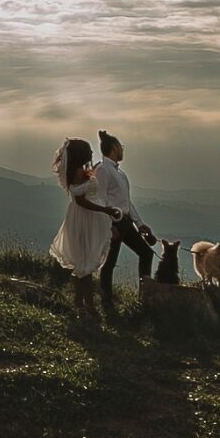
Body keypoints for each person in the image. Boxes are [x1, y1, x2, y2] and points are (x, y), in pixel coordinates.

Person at [48, 136, 121, 316]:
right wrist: (105, 210)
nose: (91, 152)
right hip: (86, 218)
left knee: (84, 262)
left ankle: (82, 303)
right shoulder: (79, 173)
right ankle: (85, 304)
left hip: (86, 218)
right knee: (85, 261)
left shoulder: (81, 171)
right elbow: (81, 200)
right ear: (81, 154)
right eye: (88, 150)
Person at [93, 130, 154, 307]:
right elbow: (101, 198)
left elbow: (127, 202)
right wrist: (109, 225)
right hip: (115, 222)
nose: (122, 151)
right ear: (114, 148)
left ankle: (144, 297)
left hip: (124, 221)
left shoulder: (119, 173)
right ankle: (107, 301)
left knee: (146, 253)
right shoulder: (103, 170)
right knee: (110, 262)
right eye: (121, 147)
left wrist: (140, 224)